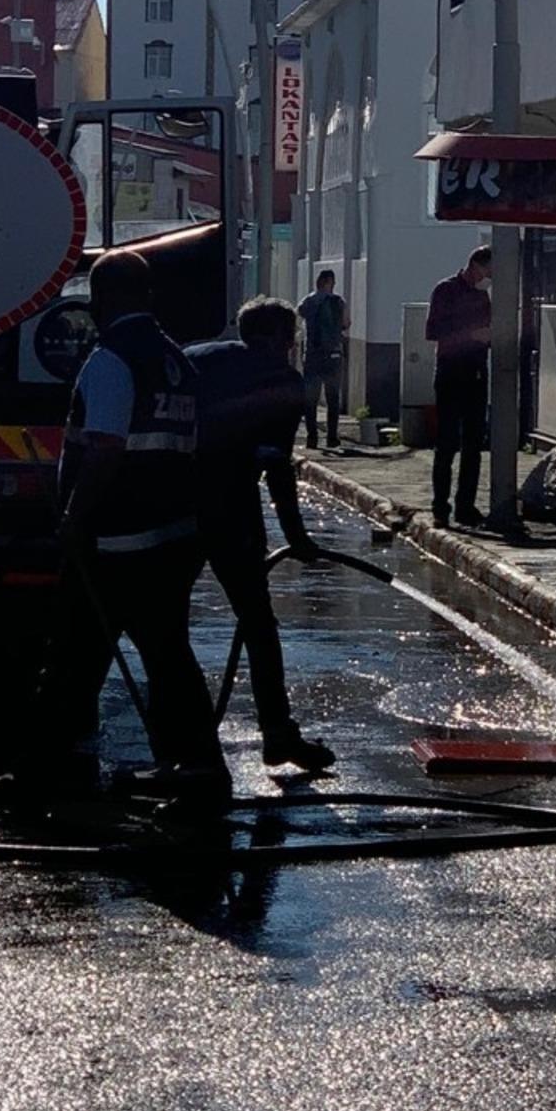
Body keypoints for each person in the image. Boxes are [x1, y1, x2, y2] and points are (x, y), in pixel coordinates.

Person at [36, 248, 230, 797]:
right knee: (165, 654)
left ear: (99, 301)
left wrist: (75, 516)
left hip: (114, 537)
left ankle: (42, 768)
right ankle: (195, 764)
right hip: (169, 534)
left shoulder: (110, 361)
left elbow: (103, 448)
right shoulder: (174, 358)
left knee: (73, 654)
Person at [188, 296, 335, 773]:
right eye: (291, 339)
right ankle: (277, 734)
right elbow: (276, 466)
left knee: (159, 626)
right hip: (230, 509)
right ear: (277, 339)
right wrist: (296, 535)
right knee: (258, 625)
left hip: (174, 504)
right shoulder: (281, 380)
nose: (293, 348)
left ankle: (179, 743)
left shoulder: (196, 359)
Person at [426, 245, 492, 529]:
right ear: (476, 265)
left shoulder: (482, 297)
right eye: (488, 270)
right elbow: (433, 331)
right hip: (451, 371)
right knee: (447, 442)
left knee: (474, 443)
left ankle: (466, 505)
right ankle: (440, 506)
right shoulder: (446, 290)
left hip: (476, 371)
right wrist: (471, 335)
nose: (489, 276)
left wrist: (488, 337)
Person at [298, 269, 349, 451]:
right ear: (330, 282)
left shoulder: (307, 301)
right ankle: (332, 437)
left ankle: (312, 438)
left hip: (312, 356)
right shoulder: (338, 301)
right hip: (333, 355)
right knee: (333, 398)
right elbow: (345, 324)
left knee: (310, 399)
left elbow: (300, 315)